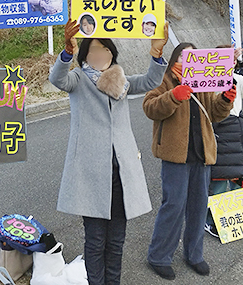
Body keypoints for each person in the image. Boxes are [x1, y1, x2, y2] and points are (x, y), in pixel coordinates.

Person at [49, 19, 168, 285]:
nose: (100, 55)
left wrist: (157, 54)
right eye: (93, 51)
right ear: (85, 56)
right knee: (94, 240)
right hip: (90, 175)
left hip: (121, 175)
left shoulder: (121, 81)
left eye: (105, 49)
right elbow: (57, 79)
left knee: (116, 241)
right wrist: (66, 52)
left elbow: (150, 80)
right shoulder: (78, 79)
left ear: (112, 53)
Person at [143, 42, 236, 280]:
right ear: (175, 58)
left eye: (192, 56)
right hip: (176, 154)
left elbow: (215, 113)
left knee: (198, 205)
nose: (188, 60)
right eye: (184, 56)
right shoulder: (164, 79)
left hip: (201, 152)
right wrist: (173, 96)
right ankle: (159, 256)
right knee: (173, 204)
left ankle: (194, 254)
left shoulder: (203, 79)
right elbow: (150, 107)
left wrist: (225, 100)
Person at [204, 47, 243, 238]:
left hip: (236, 130)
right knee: (219, 178)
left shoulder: (236, 78)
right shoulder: (206, 78)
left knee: (239, 175)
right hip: (217, 130)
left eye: (232, 59)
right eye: (224, 57)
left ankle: (239, 218)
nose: (230, 61)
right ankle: (212, 220)